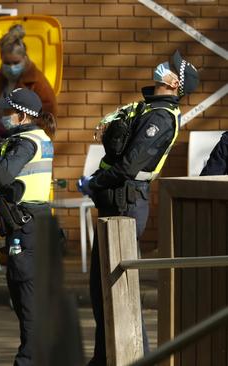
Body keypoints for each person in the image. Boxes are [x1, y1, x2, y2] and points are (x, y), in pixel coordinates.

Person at [78, 50, 199, 366]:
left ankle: (136, 358)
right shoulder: (148, 108)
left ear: (173, 82)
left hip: (126, 203)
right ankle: (105, 357)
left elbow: (130, 166)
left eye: (168, 69)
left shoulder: (160, 118)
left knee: (120, 290)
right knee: (102, 288)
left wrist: (95, 182)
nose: (162, 68)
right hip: (115, 201)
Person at [0, 88, 56, 366]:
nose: (4, 116)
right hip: (30, 224)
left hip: (28, 227)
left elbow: (3, 175)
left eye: (8, 111)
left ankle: (28, 360)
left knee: (26, 298)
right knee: (26, 298)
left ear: (23, 115)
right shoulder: (34, 137)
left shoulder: (26, 142)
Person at [0, 24, 58, 165]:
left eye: (16, 62)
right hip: (0, 143)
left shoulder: (38, 82)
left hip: (26, 148)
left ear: (25, 58)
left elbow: (48, 118)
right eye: (7, 63)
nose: (11, 67)